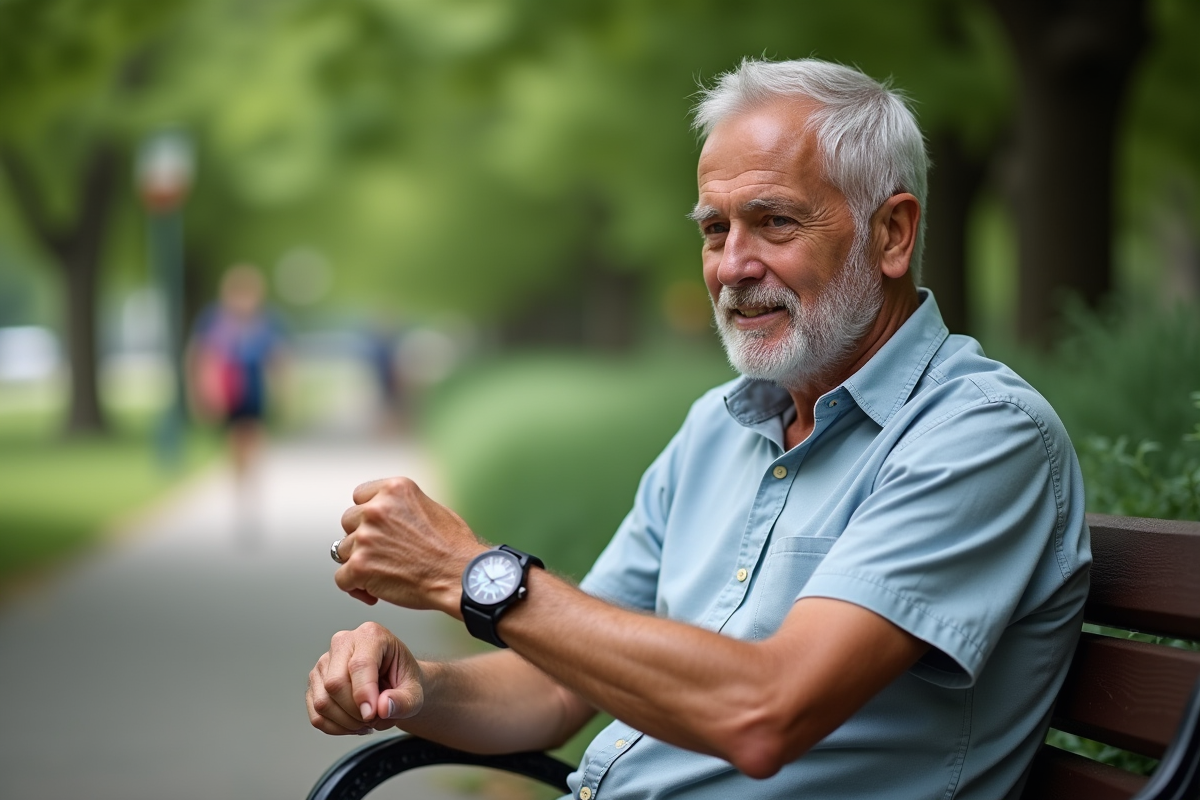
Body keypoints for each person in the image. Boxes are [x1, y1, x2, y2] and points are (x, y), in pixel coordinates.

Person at [306, 58, 1090, 800]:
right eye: (716, 230)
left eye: (774, 222)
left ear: (892, 234)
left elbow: (765, 711)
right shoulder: (718, 429)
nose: (732, 265)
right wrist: (417, 686)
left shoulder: (980, 435)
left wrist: (471, 574)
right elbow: (555, 684)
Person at [187, 264, 286, 533]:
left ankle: (251, 495)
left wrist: (282, 391)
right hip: (228, 390)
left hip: (255, 388)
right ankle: (240, 492)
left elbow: (278, 358)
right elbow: (200, 357)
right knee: (234, 444)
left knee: (254, 440)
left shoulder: (266, 320)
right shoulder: (214, 320)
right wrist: (201, 395)